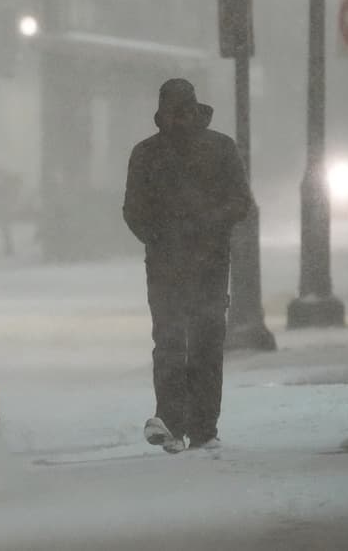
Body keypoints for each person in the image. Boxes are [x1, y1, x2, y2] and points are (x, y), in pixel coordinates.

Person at [122, 78, 252, 453]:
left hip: (190, 263)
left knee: (189, 343)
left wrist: (175, 234)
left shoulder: (161, 153)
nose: (176, 120)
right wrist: (171, 235)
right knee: (184, 342)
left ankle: (191, 426)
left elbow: (239, 201)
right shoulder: (207, 149)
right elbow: (135, 211)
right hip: (184, 263)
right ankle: (186, 425)